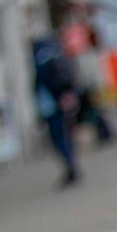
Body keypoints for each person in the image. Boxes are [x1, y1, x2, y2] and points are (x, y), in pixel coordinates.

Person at [31, 31, 81, 187]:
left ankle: (70, 167)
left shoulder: (41, 55)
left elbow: (43, 80)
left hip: (52, 103)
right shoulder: (57, 51)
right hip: (61, 100)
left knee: (58, 136)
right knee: (64, 134)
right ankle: (71, 165)